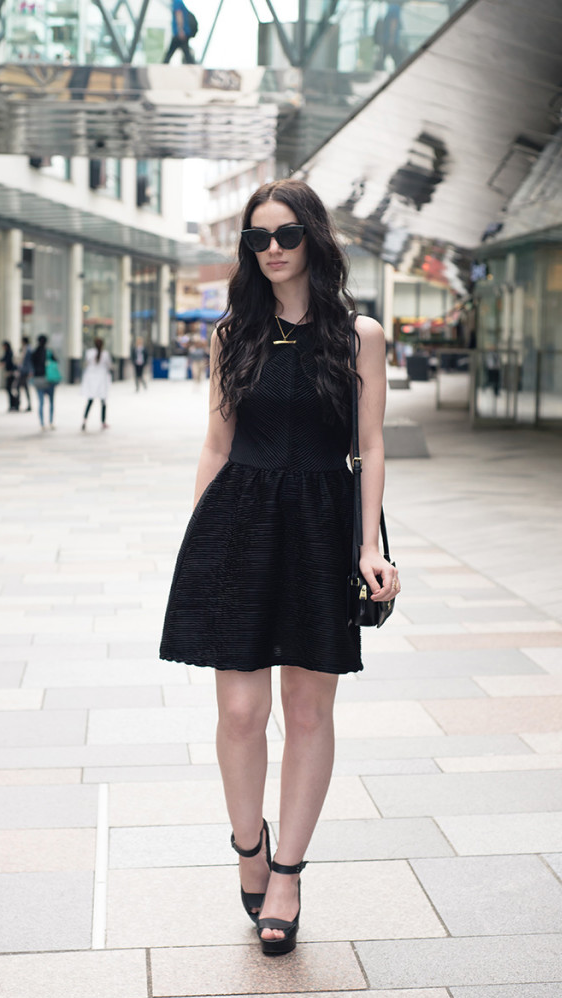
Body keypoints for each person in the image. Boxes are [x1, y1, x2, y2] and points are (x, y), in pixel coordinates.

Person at [160, 179, 400, 957]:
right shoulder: (232, 333)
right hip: (240, 520)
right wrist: (200, 534)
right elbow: (216, 443)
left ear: (314, 241)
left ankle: (288, 873)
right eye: (257, 237)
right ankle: (248, 845)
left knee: (306, 710)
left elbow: (369, 446)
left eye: (286, 234)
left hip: (324, 523)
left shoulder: (358, 334)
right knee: (238, 713)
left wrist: (370, 546)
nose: (270, 249)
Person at [80, 336, 112, 431]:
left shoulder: (89, 353)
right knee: (103, 403)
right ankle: (103, 422)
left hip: (91, 380)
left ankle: (84, 421)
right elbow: (109, 366)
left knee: (90, 401)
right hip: (101, 380)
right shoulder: (105, 354)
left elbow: (86, 364)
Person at [31, 333, 60, 431]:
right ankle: (51, 422)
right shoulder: (48, 352)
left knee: (41, 403)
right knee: (51, 402)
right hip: (49, 380)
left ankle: (42, 423)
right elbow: (56, 361)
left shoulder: (34, 352)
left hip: (38, 380)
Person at [0, 341, 20, 411]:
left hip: (11, 373)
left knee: (10, 389)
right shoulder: (8, 352)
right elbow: (2, 359)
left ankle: (14, 404)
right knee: (9, 389)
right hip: (10, 373)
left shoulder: (10, 353)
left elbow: (6, 361)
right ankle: (13, 404)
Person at [18, 337, 33, 412]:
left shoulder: (29, 349)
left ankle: (27, 404)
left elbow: (30, 361)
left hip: (25, 371)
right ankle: (20, 404)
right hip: (23, 371)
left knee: (23, 387)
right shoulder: (24, 349)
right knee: (22, 387)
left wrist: (30, 371)